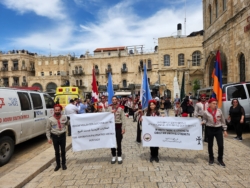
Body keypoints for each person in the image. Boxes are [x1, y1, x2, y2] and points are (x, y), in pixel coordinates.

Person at [202, 98, 227, 167]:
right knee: (210, 145)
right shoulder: (206, 112)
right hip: (209, 129)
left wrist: (224, 130)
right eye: (213, 103)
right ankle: (211, 158)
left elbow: (223, 121)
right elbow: (204, 119)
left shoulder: (219, 111)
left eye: (216, 103)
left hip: (218, 129)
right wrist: (203, 122)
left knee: (221, 145)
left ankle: (220, 159)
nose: (215, 105)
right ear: (209, 104)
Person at [46, 104, 68, 171]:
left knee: (63, 151)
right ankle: (58, 165)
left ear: (60, 110)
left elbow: (68, 124)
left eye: (58, 110)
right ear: (54, 110)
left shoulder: (64, 117)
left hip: (62, 136)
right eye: (56, 110)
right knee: (57, 151)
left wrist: (71, 120)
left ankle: (63, 164)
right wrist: (49, 138)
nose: (57, 111)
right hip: (55, 136)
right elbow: (47, 129)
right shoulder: (50, 119)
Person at [106, 96, 126, 164]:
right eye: (113, 99)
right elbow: (104, 116)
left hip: (118, 126)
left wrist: (123, 128)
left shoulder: (120, 108)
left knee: (118, 141)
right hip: (111, 127)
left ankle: (119, 155)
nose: (114, 101)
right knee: (112, 142)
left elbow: (123, 119)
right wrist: (110, 112)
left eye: (115, 99)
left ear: (117, 100)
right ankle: (114, 155)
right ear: (111, 100)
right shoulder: (109, 108)